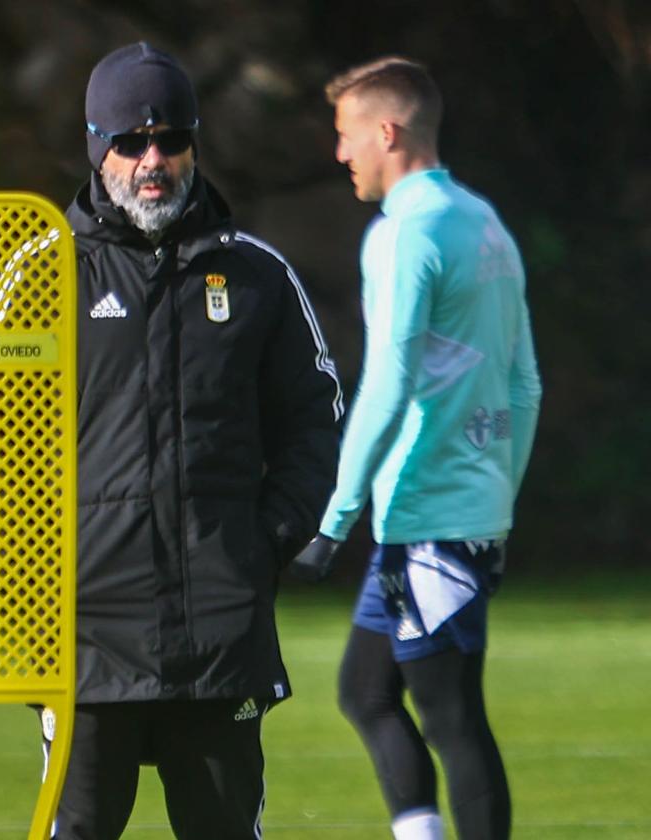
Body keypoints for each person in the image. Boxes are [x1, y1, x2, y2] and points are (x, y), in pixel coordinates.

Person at [39, 42, 343, 840]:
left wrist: (264, 540)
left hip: (219, 636)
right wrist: (29, 570)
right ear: (96, 148)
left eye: (171, 139)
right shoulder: (43, 275)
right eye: (130, 141)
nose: (153, 160)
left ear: (195, 146)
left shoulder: (255, 277)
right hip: (85, 637)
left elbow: (316, 419)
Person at [289, 57, 542, 840]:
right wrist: (498, 497)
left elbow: (388, 384)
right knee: (366, 691)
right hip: (452, 513)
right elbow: (525, 384)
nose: (342, 155)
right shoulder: (484, 222)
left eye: (347, 136)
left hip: (433, 518)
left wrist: (333, 520)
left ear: (387, 132)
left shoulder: (404, 233)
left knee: (451, 715)